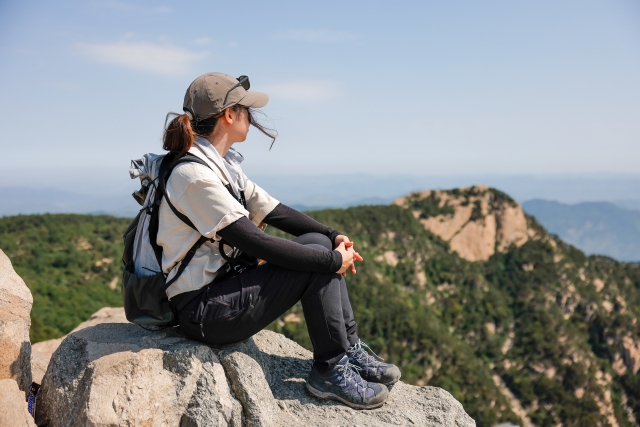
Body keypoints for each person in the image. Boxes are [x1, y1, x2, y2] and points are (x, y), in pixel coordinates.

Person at [158, 72, 401, 409]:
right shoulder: (194, 175)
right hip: (202, 313)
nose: (251, 116)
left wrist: (333, 237)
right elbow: (257, 243)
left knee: (317, 241)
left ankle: (347, 349)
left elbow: (274, 210)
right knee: (316, 260)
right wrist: (332, 260)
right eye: (246, 109)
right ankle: (330, 371)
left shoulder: (220, 165)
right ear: (229, 114)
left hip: (220, 293)